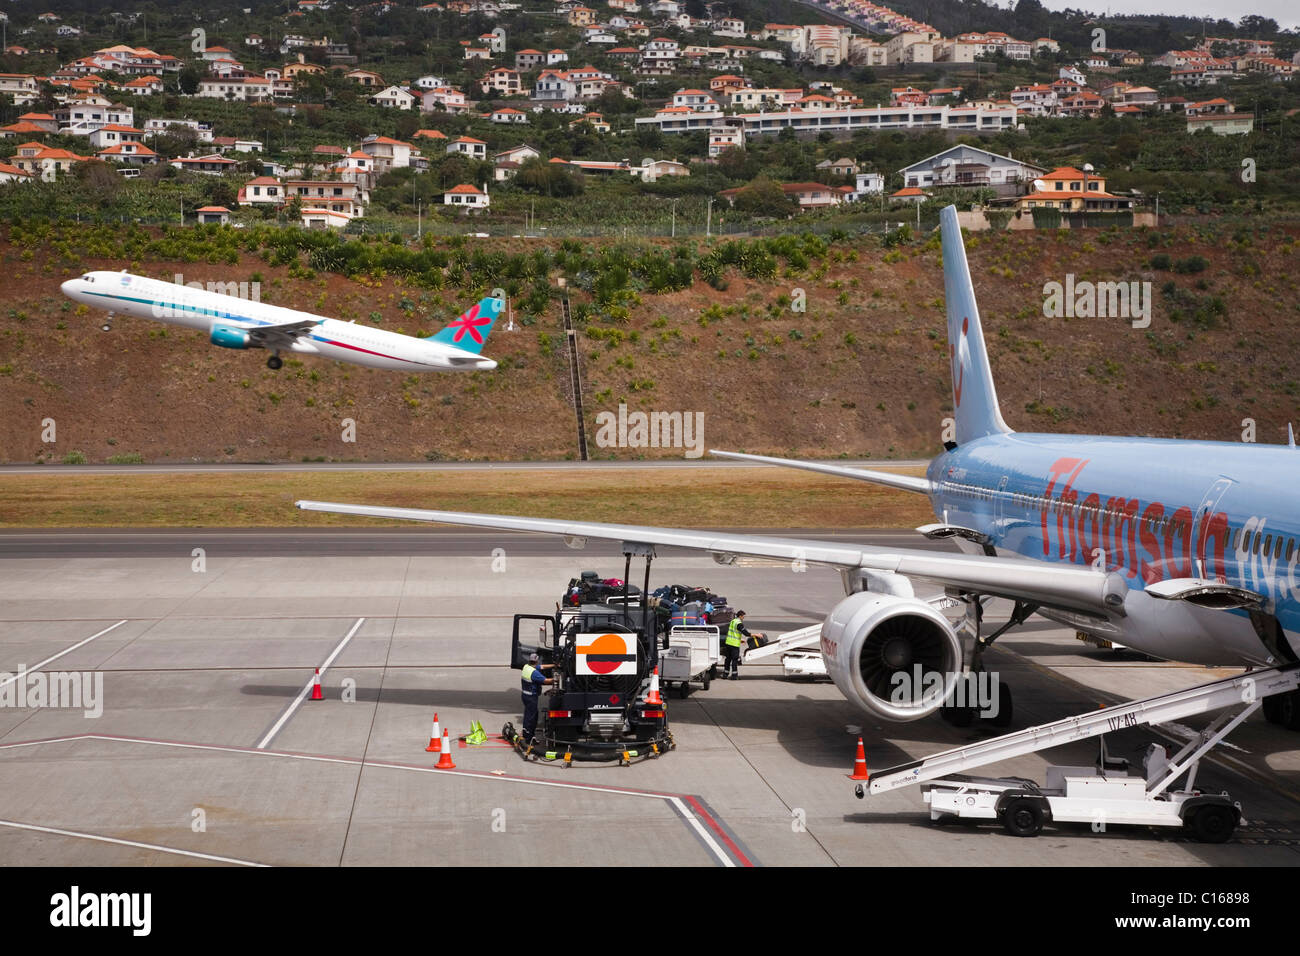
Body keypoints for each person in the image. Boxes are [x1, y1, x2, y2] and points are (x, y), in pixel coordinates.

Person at [520, 652, 556, 742]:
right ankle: (529, 738)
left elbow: (542, 667)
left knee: (528, 715)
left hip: (525, 695)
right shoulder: (534, 673)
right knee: (532, 717)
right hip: (531, 697)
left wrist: (554, 665)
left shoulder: (526, 667)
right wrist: (556, 679)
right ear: (536, 661)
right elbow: (546, 681)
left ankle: (526, 733)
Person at [723, 610, 754, 680]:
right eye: (743, 616)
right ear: (740, 616)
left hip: (728, 643)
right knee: (734, 659)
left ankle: (725, 674)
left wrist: (740, 640)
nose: (743, 618)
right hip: (734, 645)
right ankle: (734, 675)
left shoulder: (733, 621)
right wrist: (756, 634)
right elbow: (746, 633)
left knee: (728, 659)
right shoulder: (739, 623)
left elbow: (733, 633)